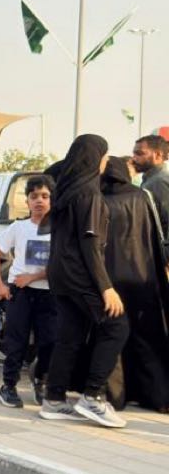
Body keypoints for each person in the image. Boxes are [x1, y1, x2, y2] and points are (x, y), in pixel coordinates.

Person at [42, 134, 128, 428]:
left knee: (70, 336)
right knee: (117, 326)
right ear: (94, 158)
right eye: (104, 155)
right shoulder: (88, 194)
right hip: (79, 274)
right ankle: (93, 396)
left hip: (60, 273)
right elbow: (90, 245)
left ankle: (54, 399)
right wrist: (106, 287)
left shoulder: (65, 190)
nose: (107, 161)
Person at [100, 156, 169, 414]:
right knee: (147, 338)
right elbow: (157, 235)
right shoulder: (143, 196)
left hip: (111, 281)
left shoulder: (99, 199)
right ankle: (158, 396)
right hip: (144, 277)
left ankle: (115, 397)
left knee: (113, 339)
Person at [0, 175, 57, 408]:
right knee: (16, 341)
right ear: (27, 201)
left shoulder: (60, 230)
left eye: (45, 196)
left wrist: (33, 277)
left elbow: (60, 265)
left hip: (49, 294)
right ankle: (8, 386)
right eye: (34, 196)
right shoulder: (18, 227)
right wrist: (0, 286)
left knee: (49, 341)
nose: (39, 201)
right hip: (20, 293)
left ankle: (41, 382)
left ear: (52, 200)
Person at [131, 134, 169, 250]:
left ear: (157, 155)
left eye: (140, 153)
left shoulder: (159, 182)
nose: (134, 158)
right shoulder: (151, 180)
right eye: (134, 154)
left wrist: (166, 254)